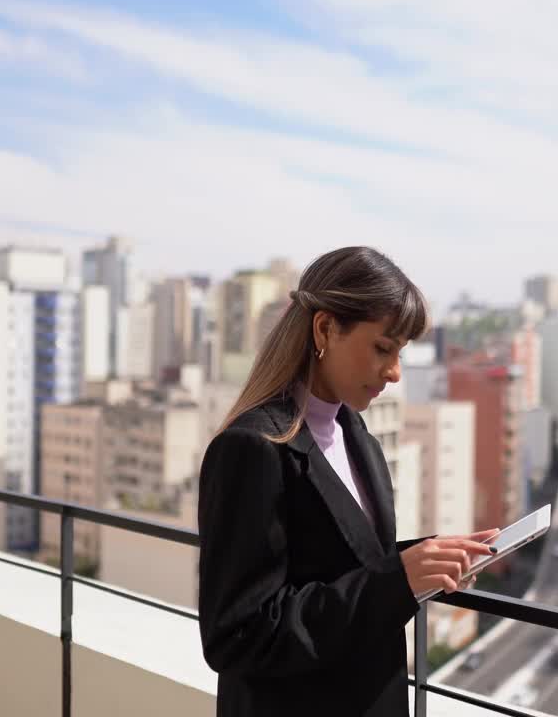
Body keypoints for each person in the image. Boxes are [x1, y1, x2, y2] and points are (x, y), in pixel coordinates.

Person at [198, 246, 499, 716]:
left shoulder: (356, 435)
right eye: (383, 348)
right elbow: (238, 634)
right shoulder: (253, 448)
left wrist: (429, 559)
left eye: (400, 353)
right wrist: (396, 580)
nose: (395, 373)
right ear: (324, 329)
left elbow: (345, 562)